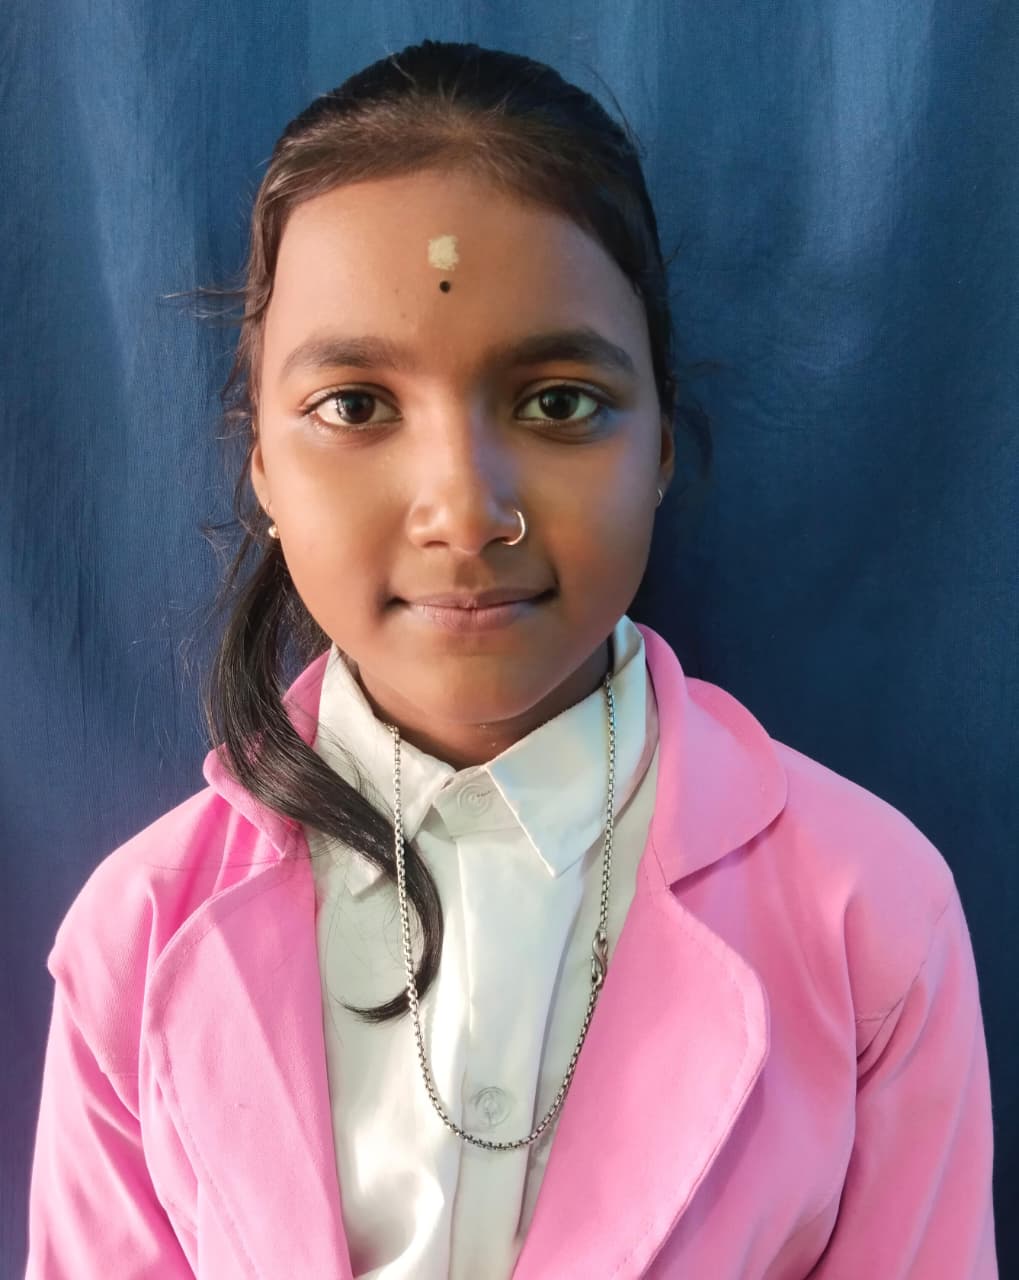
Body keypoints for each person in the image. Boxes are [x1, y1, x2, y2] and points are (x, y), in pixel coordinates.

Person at [25, 38, 997, 1280]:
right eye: (356, 406)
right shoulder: (138, 933)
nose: (464, 511)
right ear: (260, 459)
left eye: (556, 402)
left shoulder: (868, 915)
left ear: (658, 442)